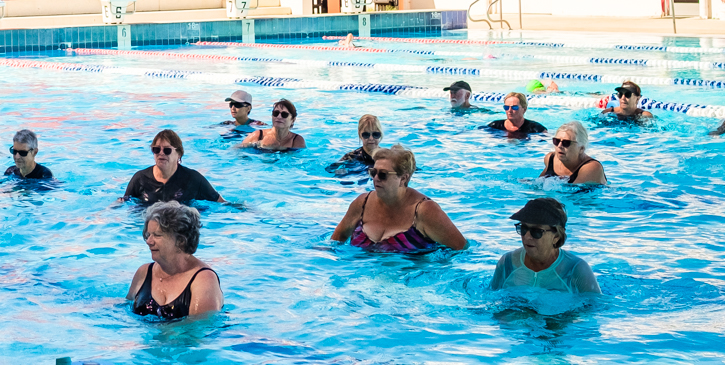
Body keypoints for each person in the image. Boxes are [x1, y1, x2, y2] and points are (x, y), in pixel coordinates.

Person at [331, 146, 466, 252]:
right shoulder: (361, 204)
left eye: (383, 174)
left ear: (403, 178)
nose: (375, 178)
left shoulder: (425, 211)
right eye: (373, 172)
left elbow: (461, 249)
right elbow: (335, 242)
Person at [126, 201, 223, 319]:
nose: (149, 241)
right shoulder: (144, 272)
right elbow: (126, 307)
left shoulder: (204, 280)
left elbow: (199, 328)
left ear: (181, 241)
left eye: (157, 235)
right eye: (148, 235)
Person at [489, 196, 601, 294]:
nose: (527, 236)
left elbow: (594, 309)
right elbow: (490, 299)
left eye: (536, 231)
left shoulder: (575, 269)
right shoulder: (508, 263)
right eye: (523, 229)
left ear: (556, 236)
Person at [122, 129, 223, 206]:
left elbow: (221, 203)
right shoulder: (140, 179)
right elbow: (123, 203)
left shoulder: (193, 179)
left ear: (179, 154)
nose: (161, 153)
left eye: (167, 150)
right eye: (156, 149)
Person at [540, 121, 605, 185]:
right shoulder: (550, 159)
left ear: (581, 149)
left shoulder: (592, 168)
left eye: (566, 143)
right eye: (556, 141)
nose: (559, 146)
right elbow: (537, 186)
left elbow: (571, 194)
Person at [239, 98, 307, 151]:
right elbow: (237, 150)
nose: (279, 117)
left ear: (293, 120)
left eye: (284, 114)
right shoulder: (258, 136)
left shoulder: (296, 141)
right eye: (276, 113)